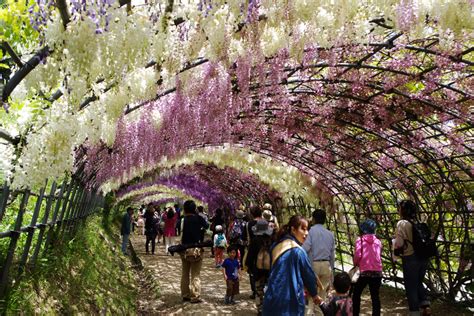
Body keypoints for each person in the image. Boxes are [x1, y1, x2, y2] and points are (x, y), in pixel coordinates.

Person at [262, 215, 321, 316]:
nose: (306, 233)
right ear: (293, 230)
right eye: (303, 229)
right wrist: (315, 295)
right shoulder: (298, 251)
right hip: (290, 301)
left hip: (272, 297)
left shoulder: (276, 246)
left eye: (307, 230)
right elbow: (308, 275)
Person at [394, 200, 431, 316]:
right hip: (423, 257)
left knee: (410, 286)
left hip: (410, 258)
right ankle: (426, 306)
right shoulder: (418, 222)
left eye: (399, 208)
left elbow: (399, 243)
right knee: (418, 282)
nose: (398, 210)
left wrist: (395, 248)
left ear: (403, 210)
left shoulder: (402, 223)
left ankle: (414, 312)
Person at [303, 209, 335, 316]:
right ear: (325, 220)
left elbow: (305, 248)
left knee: (311, 296)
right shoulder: (330, 234)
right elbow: (332, 256)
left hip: (313, 266)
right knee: (321, 298)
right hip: (326, 266)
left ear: (313, 219)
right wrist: (332, 276)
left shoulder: (310, 231)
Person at [180, 200, 209, 303]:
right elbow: (207, 226)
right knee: (195, 274)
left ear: (185, 209)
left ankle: (185, 294)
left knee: (185, 272)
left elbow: (180, 232)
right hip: (196, 249)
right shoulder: (199, 218)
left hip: (184, 249)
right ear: (194, 209)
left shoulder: (183, 220)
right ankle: (195, 296)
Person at [352, 219, 382, 316]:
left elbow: (357, 255)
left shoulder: (360, 240)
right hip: (377, 272)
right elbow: (378, 255)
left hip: (364, 272)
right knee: (375, 296)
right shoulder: (378, 241)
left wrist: (355, 263)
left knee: (356, 294)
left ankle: (355, 313)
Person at [246, 218, 274, 315]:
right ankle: (269, 307)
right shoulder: (272, 240)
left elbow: (250, 256)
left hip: (258, 270)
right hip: (270, 270)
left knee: (259, 289)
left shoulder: (255, 240)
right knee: (269, 288)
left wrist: (249, 267)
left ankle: (260, 309)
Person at [244, 205, 264, 299]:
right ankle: (262, 289)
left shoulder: (249, 224)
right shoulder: (265, 223)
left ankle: (255, 291)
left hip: (253, 250)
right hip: (264, 250)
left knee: (252, 270)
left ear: (252, 214)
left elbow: (247, 238)